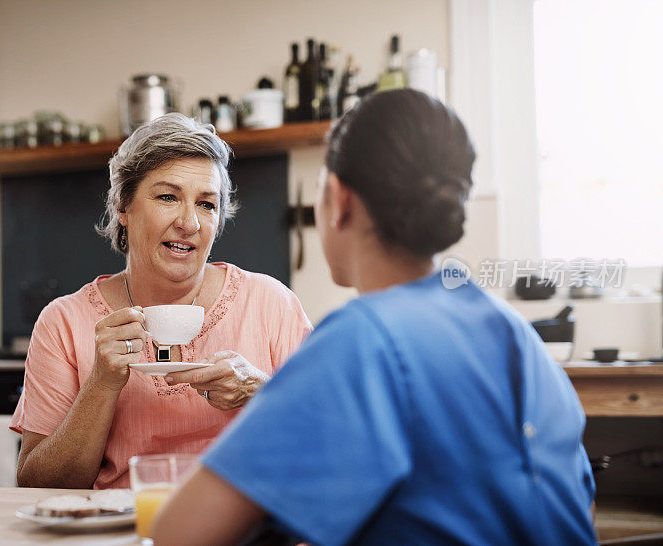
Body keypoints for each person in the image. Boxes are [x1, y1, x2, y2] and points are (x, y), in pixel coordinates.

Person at [154, 90, 596, 545]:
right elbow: (579, 503)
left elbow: (178, 535)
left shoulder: (362, 339)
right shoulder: (515, 332)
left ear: (338, 200)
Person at [10, 113, 312, 490]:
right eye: (168, 197)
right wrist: (102, 385)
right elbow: (40, 485)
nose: (190, 223)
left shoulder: (271, 304)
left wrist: (261, 392)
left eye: (207, 204)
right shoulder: (63, 322)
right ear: (123, 205)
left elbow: (336, 441)